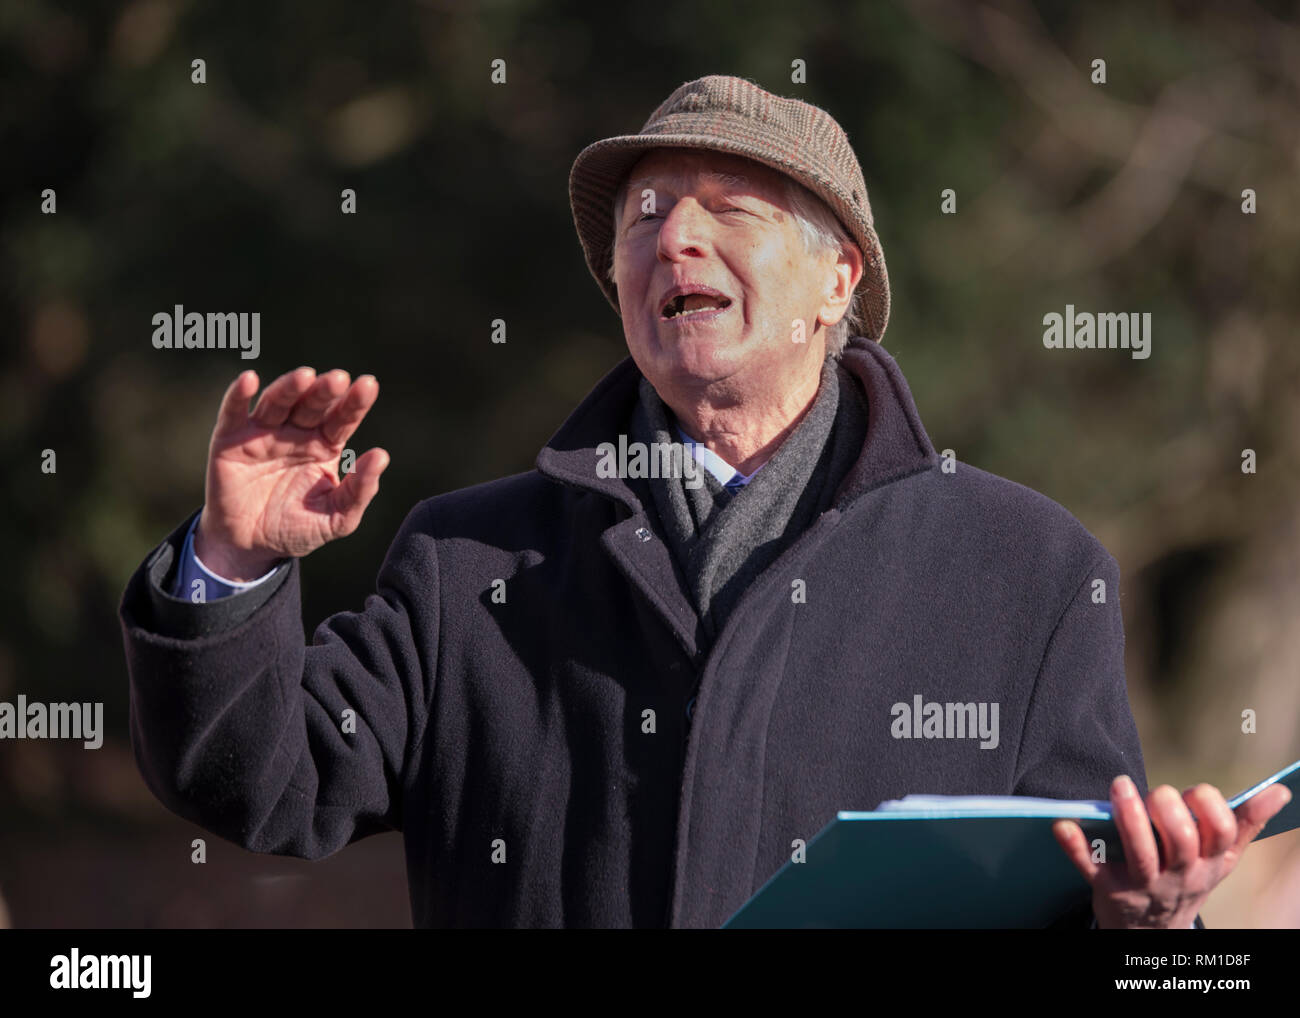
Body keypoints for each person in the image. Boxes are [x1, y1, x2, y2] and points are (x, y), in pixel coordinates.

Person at [119, 74, 1289, 929]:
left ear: (838, 281)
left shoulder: (1025, 568)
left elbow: (1095, 903)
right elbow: (262, 783)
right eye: (642, 217)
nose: (671, 235)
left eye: (728, 206)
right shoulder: (465, 557)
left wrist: (1149, 922)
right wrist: (231, 559)